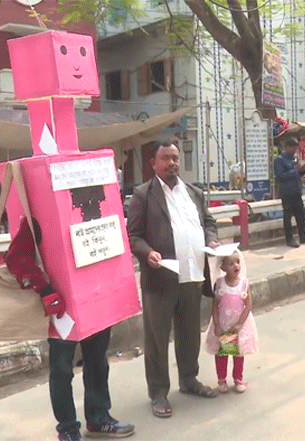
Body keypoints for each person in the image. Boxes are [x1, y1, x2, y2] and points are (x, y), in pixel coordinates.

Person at [5, 217, 135, 441]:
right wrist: (43, 288)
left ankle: (98, 419)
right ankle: (67, 429)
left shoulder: (98, 210)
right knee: (62, 369)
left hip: (95, 299)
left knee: (97, 361)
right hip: (61, 306)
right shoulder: (41, 212)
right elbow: (16, 257)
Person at [127, 141, 220, 419]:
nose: (172, 163)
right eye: (166, 158)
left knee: (189, 332)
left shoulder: (194, 193)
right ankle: (158, 392)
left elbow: (209, 222)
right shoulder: (143, 195)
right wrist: (148, 252)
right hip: (161, 279)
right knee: (157, 338)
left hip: (192, 275)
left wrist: (212, 239)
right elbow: (133, 236)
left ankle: (189, 380)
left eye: (175, 158)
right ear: (153, 163)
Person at [204, 250, 258, 394]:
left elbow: (248, 305)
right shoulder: (220, 284)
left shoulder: (244, 284)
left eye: (238, 262)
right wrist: (216, 324)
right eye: (231, 263)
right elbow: (215, 306)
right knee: (222, 353)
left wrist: (240, 323)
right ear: (222, 268)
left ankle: (238, 379)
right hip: (224, 325)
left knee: (238, 353)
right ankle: (221, 379)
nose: (236, 266)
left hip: (238, 327)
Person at [274, 137, 305, 248]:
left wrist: (302, 170)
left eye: (296, 148)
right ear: (287, 147)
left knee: (300, 214)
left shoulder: (294, 158)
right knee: (288, 216)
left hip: (297, 191)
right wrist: (295, 171)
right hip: (287, 192)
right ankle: (289, 239)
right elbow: (280, 176)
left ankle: (303, 236)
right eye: (293, 148)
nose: (294, 151)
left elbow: (299, 174)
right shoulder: (279, 160)